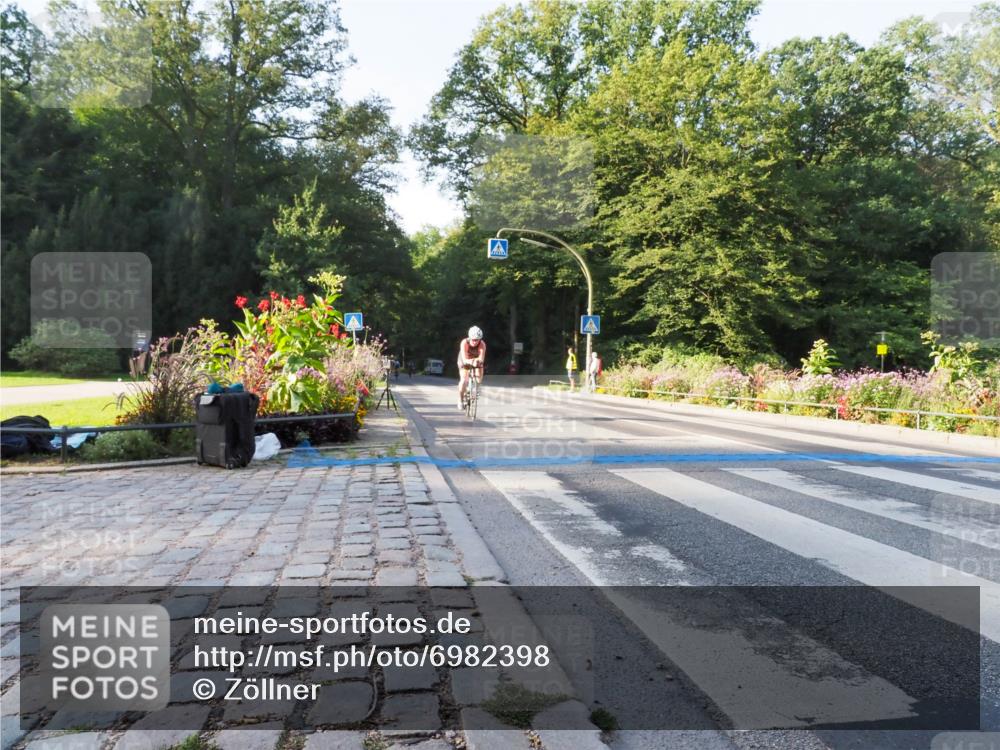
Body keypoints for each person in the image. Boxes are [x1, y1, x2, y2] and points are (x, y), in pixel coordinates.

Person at [457, 326, 486, 409]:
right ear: (469, 337)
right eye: (473, 339)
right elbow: (464, 359)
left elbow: (481, 358)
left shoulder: (482, 344)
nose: (475, 342)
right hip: (464, 359)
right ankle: (460, 399)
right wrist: (471, 361)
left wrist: (478, 362)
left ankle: (477, 387)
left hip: (475, 359)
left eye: (477, 340)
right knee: (464, 380)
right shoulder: (464, 342)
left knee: (480, 370)